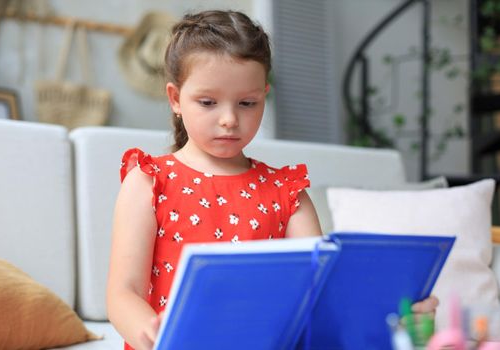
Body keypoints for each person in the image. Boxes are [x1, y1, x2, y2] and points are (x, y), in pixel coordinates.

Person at [106, 9, 438, 350]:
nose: (229, 120)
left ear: (264, 94)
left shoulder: (287, 193)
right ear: (176, 98)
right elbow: (123, 293)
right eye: (207, 102)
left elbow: (320, 293)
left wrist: (396, 312)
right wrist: (154, 334)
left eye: (247, 103)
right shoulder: (149, 180)